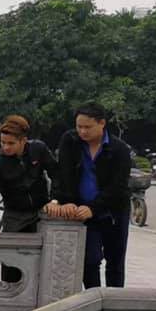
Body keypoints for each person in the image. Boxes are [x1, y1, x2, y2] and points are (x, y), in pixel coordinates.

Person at [51, 102, 132, 288]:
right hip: (81, 212)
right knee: (89, 261)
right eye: (79, 126)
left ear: (102, 123)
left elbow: (118, 187)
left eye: (87, 127)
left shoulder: (119, 149)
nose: (82, 131)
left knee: (115, 263)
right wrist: (65, 201)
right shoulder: (70, 141)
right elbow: (64, 174)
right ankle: (93, 302)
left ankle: (114, 305)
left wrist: (94, 208)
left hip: (113, 212)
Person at [0, 115, 59, 250]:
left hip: (41, 212)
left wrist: (55, 200)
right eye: (2, 142)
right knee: (11, 260)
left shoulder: (38, 149)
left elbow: (57, 174)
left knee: (45, 256)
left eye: (11, 143)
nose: (5, 147)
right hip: (14, 215)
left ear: (23, 140)